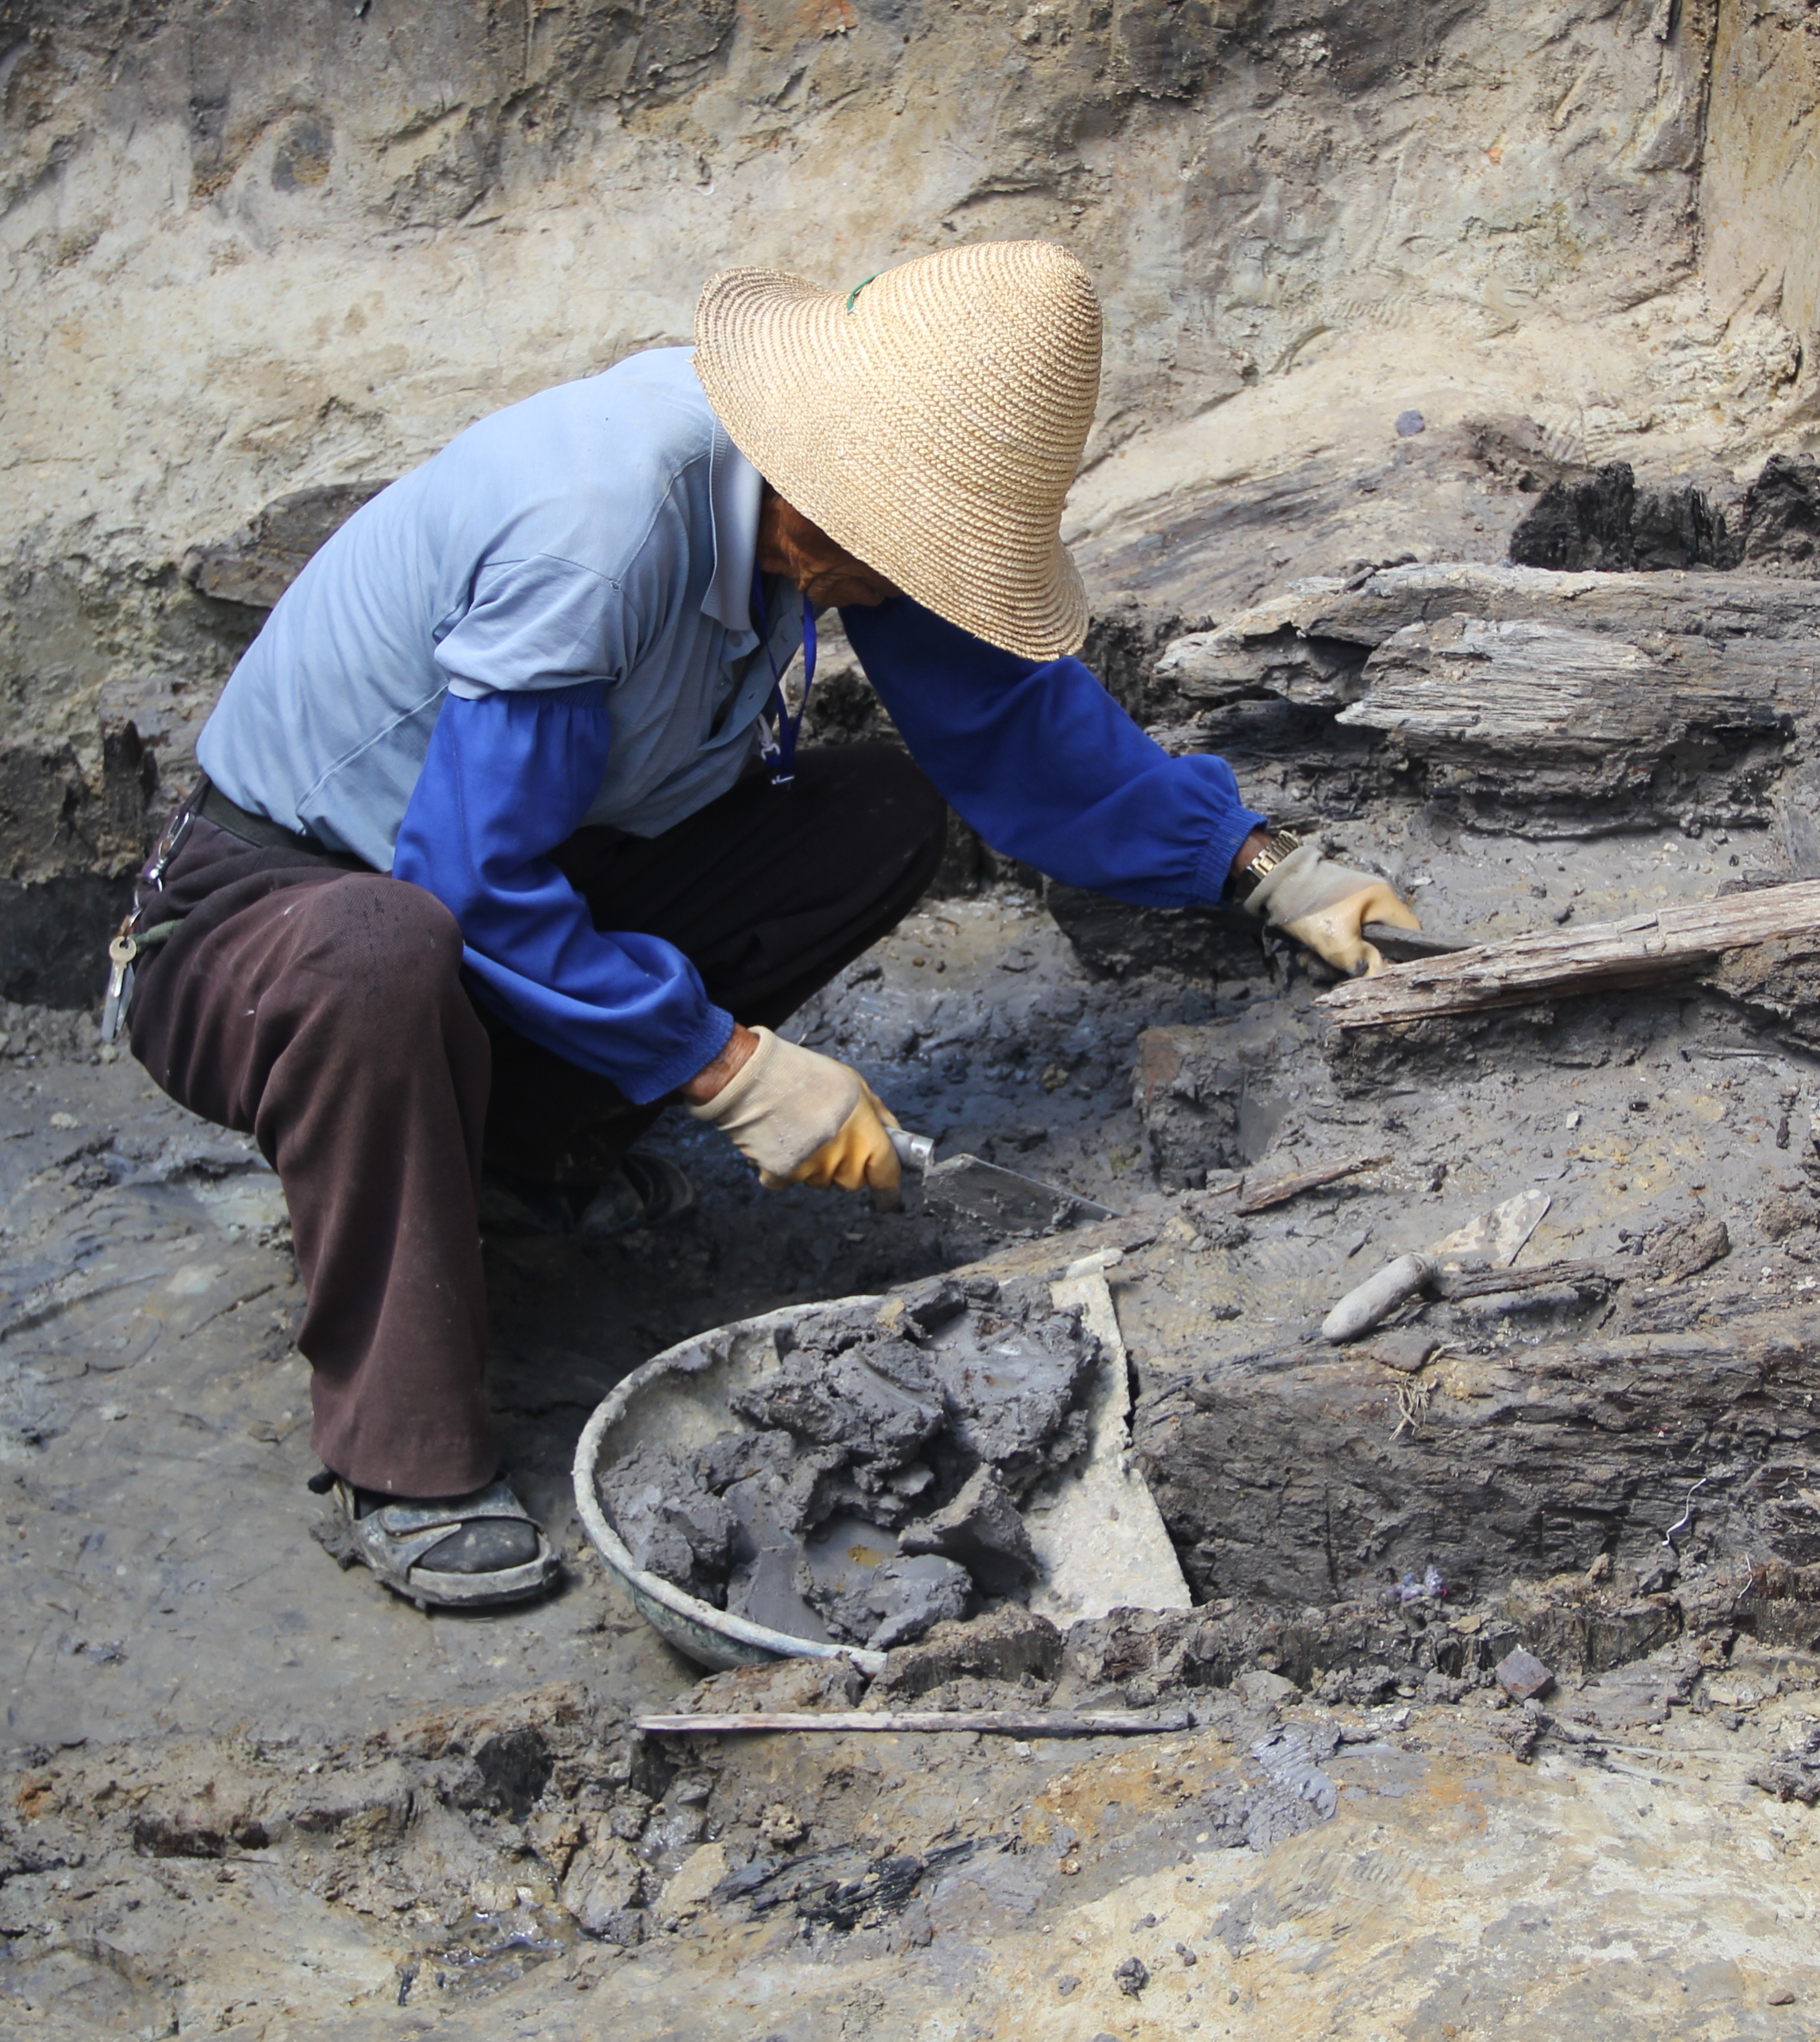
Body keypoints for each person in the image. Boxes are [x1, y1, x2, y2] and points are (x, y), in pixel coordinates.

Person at [113, 241, 1419, 1611]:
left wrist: (1257, 865)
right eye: (908, 551)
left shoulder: (832, 496)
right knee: (381, 954)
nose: (911, 582)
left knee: (877, 815)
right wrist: (729, 1068)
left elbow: (1012, 719)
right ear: (817, 485)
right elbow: (467, 879)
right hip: (267, 923)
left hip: (497, 888)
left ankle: (505, 1162)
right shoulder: (601, 525)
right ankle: (403, 1455)